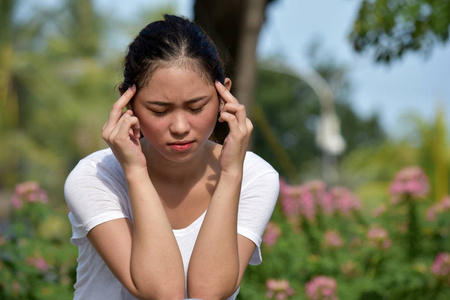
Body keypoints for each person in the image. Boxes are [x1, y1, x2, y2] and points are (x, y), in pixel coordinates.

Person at [64, 14, 279, 300]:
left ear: (224, 95)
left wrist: (230, 175)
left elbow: (209, 292)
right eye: (159, 110)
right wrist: (136, 172)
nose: (179, 127)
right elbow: (162, 291)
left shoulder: (254, 177)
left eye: (195, 107)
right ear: (127, 102)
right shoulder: (95, 177)